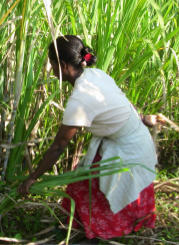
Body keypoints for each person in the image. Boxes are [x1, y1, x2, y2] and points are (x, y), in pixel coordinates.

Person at [18, 35, 160, 240]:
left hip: (130, 150)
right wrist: (140, 118)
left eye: (52, 63)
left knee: (92, 188)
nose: (51, 69)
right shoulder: (96, 75)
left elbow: (58, 146)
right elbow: (123, 102)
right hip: (130, 139)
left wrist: (33, 177)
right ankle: (82, 227)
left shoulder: (80, 100)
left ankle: (101, 232)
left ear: (64, 65)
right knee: (80, 181)